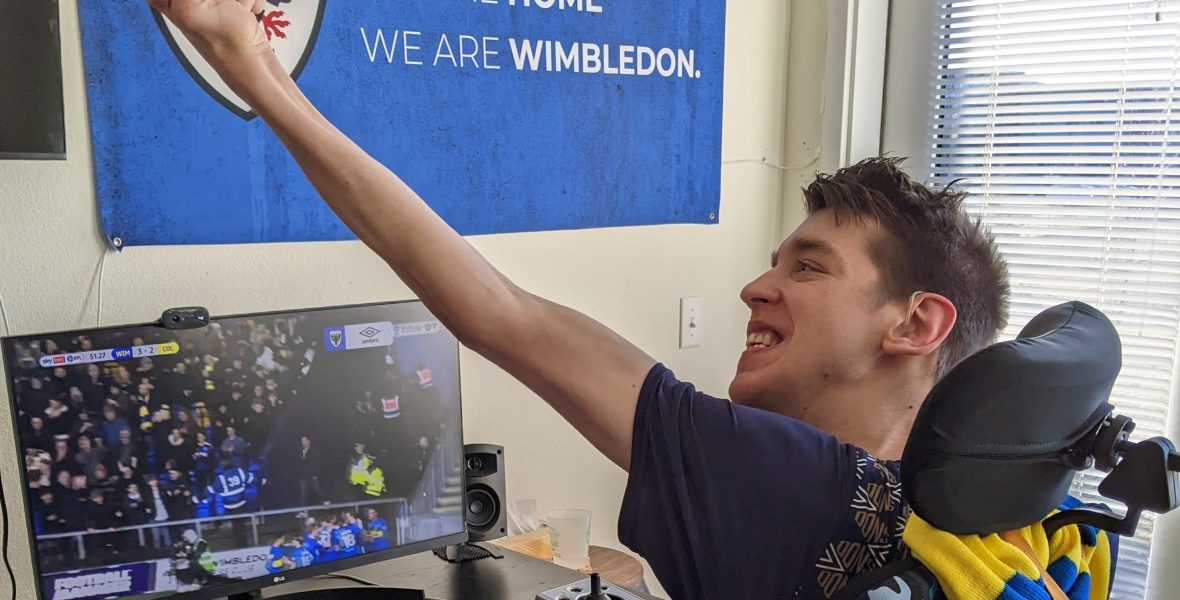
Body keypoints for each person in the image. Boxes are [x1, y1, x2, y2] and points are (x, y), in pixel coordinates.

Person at [151, 3, 1010, 598]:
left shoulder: (783, 481)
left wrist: (251, 65)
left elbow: (499, 312)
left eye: (809, 269)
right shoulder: (991, 514)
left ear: (917, 323)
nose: (756, 287)